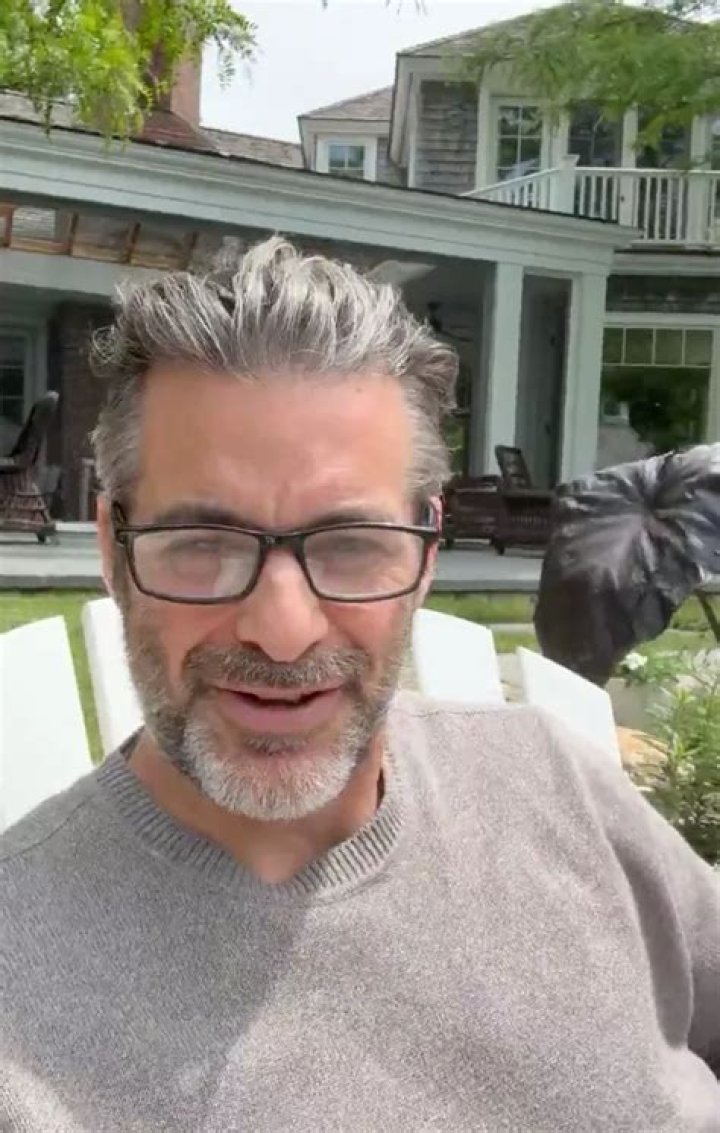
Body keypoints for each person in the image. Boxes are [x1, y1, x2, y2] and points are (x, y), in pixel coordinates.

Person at [1, 238, 718, 1132]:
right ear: (113, 551)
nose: (283, 628)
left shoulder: (551, 781)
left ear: (425, 555)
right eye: (203, 543)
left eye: (351, 544)